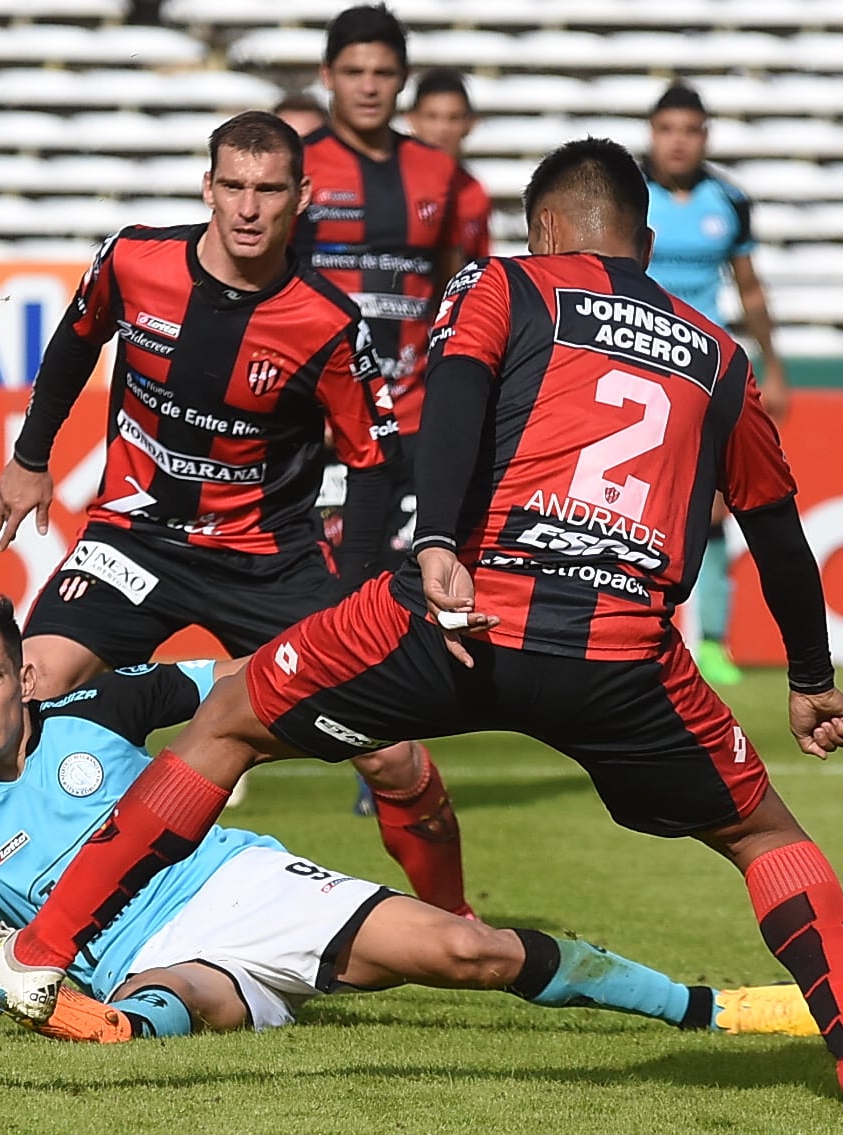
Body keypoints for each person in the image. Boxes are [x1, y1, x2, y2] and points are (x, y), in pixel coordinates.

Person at [0, 139, 843, 1122]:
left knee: (229, 717)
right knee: (766, 834)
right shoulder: (720, 355)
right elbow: (776, 526)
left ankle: (35, 952)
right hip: (623, 649)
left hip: (466, 612)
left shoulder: (508, 284)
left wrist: (443, 534)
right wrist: (811, 675)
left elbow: (450, 398)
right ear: (640, 235)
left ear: (544, 226)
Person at [0, 595, 819, 1044]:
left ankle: (709, 1010)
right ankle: (109, 1025)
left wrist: (356, 670)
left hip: (236, 885)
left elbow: (239, 682)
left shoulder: (96, 710)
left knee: (476, 954)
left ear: (23, 675)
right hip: (144, 965)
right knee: (156, 1014)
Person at [0, 110, 470, 917]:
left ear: (301, 197)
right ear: (207, 186)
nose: (248, 208)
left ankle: (456, 923)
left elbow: (374, 464)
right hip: (134, 541)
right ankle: (6, 903)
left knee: (390, 757)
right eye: (235, 187)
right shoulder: (134, 260)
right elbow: (77, 340)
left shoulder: (326, 323)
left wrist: (352, 597)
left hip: (268, 561)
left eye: (269, 190)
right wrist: (31, 457)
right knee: (21, 700)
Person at [298, 8, 478, 830]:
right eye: (354, 70)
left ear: (401, 81)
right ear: (329, 75)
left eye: (383, 72)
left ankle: (385, 754)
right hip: (305, 423)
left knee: (391, 594)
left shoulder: (443, 180)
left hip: (403, 419)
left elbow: (455, 292)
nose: (368, 86)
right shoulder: (295, 169)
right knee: (300, 588)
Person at [645, 81, 789, 687]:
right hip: (639, 366)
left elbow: (750, 288)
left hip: (706, 371)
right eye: (668, 129)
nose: (679, 142)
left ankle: (712, 641)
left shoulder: (728, 200)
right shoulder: (629, 193)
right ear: (653, 133)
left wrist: (772, 365)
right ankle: (646, 633)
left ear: (705, 136)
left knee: (714, 511)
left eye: (691, 130)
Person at [406, 69, 491, 263]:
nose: (442, 129)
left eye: (453, 118)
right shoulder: (393, 180)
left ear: (470, 124)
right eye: (432, 117)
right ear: (411, 119)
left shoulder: (474, 192)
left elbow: (481, 265)